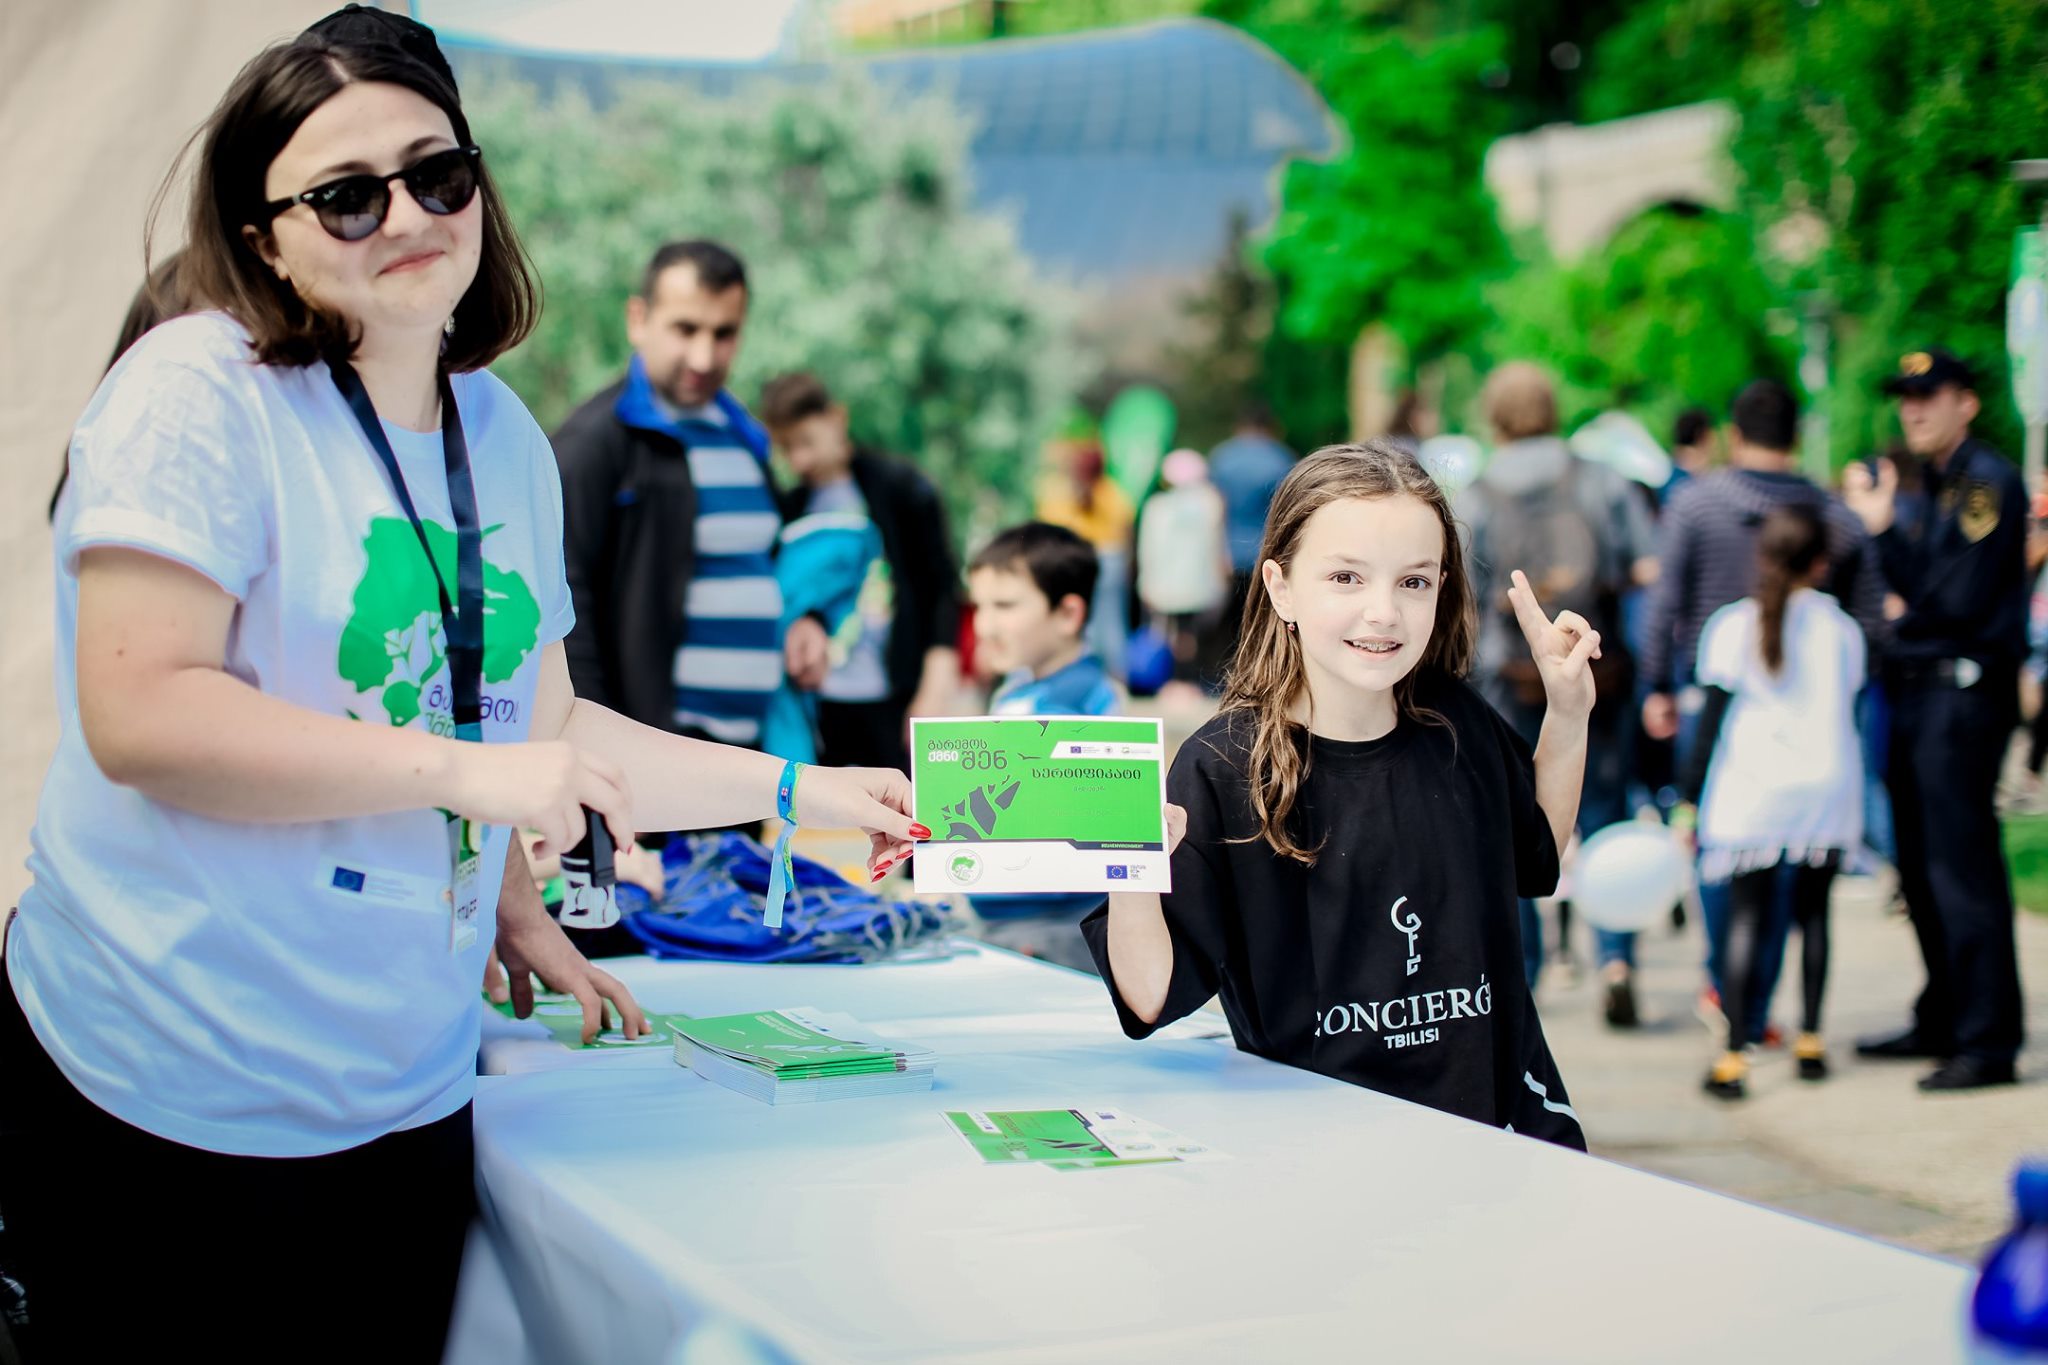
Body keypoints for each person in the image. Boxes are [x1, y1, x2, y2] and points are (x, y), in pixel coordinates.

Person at [0, 30, 922, 1358]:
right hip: (167, 1090)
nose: (406, 217)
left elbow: (547, 732)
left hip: (404, 1095)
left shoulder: (501, 433)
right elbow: (144, 714)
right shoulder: (193, 390)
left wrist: (800, 789)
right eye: (346, 196)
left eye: (437, 175)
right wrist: (470, 780)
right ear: (263, 238)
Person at [1082, 441, 1594, 1147]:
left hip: (1505, 1133)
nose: (1383, 611)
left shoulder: (1459, 723)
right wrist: (1130, 867)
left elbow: (1537, 854)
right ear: (1281, 586)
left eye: (1413, 581)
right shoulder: (1222, 768)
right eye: (1346, 577)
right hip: (1327, 1152)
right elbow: (1148, 996)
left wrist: (1568, 712)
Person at [1639, 379, 1887, 1045]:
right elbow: (1871, 623)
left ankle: (1725, 987)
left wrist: (1657, 685)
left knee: (1729, 862)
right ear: (1797, 436)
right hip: (1812, 726)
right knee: (1791, 889)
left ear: (1734, 433)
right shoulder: (1833, 515)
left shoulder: (1695, 504)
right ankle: (1764, 1011)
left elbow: (1665, 604)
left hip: (1713, 701)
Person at [552, 239, 831, 750]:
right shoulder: (594, 441)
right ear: (638, 320)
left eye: (724, 334)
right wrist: (595, 748)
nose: (704, 356)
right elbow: (563, 599)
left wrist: (807, 621)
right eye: (686, 329)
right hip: (657, 753)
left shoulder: (744, 434)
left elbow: (768, 565)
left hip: (755, 749)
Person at [1845, 348, 2028, 1091]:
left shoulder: (1985, 482)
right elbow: (1923, 597)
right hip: (1922, 692)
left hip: (1961, 695)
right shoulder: (1938, 481)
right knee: (1920, 867)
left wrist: (1885, 534)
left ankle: (1987, 1039)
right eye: (1906, 396)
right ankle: (1946, 1015)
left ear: (1966, 403)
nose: (1913, 408)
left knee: (1960, 869)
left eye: (1930, 394)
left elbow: (1952, 601)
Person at [1458, 362, 1655, 1024]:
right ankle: (1616, 957)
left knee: (1513, 823)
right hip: (1592, 670)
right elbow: (1645, 566)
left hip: (1505, 679)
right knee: (1604, 811)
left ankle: (1524, 976)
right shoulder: (1601, 479)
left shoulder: (1475, 493)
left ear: (1493, 414)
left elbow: (1459, 592)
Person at [1683, 507, 1865, 1099]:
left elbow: (1709, 723)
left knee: (1745, 920)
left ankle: (1734, 1057)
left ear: (1763, 555)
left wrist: (1687, 798)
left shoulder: (1731, 625)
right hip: (1826, 788)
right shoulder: (1843, 629)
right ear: (1821, 563)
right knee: (1815, 916)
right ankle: (1810, 1042)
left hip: (1754, 790)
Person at [759, 371, 960, 771]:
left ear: (837, 419)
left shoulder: (902, 488)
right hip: (819, 703)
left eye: (806, 442)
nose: (799, 460)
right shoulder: (789, 507)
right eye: (786, 447)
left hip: (893, 697)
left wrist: (934, 689)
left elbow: (940, 589)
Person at [964, 522, 1122, 967]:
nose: (984, 625)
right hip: (1021, 918)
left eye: (1004, 606)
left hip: (1052, 928)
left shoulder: (1072, 707)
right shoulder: (1024, 689)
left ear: (1068, 614)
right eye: (978, 606)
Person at [1036, 438, 1135, 682]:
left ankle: (1086, 676)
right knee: (1112, 621)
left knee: (1080, 622)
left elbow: (1051, 528)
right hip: (1112, 558)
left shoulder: (1062, 492)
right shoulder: (1114, 492)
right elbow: (1127, 531)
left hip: (1077, 559)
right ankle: (1117, 678)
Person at [1135, 447, 1231, 684]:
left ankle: (1176, 680)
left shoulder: (1157, 506)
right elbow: (1217, 545)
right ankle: (1190, 679)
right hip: (1199, 582)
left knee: (1171, 633)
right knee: (1191, 633)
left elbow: (1148, 548)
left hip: (1166, 583)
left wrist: (1145, 581)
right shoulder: (1210, 502)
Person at [1208, 399, 1298, 626]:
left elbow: (1214, 507)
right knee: (1262, 618)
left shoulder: (1222, 457)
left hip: (1227, 550)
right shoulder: (1281, 458)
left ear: (1239, 426)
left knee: (1229, 621)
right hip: (1265, 550)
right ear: (1271, 427)